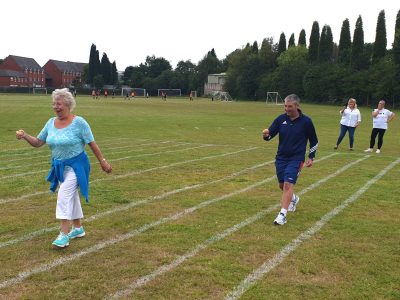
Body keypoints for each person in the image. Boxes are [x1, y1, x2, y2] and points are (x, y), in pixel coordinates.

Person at [15, 88, 112, 248]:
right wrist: (25, 135)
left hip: (77, 166)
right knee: (71, 196)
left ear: (68, 104)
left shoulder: (79, 122)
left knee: (64, 195)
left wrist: (102, 161)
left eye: (58, 104)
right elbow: (39, 142)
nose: (55, 107)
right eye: (54, 104)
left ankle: (64, 235)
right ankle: (78, 229)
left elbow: (92, 143)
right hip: (60, 167)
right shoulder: (50, 122)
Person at [262, 94, 318, 226]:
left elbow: (314, 140)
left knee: (288, 185)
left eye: (290, 106)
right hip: (281, 157)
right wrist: (266, 136)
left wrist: (311, 156)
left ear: (297, 106)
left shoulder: (306, 122)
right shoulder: (280, 119)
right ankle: (294, 199)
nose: (287, 109)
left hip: (296, 158)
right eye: (285, 106)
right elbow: (270, 135)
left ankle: (282, 215)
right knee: (282, 186)